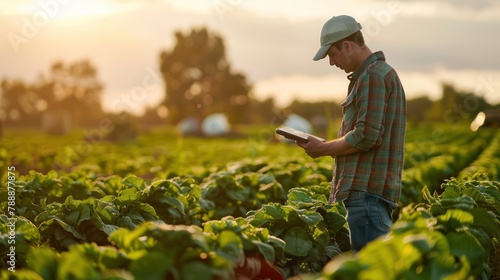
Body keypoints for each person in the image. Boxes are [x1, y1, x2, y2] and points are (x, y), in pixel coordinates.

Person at [296, 15, 406, 252]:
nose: (332, 62)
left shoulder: (373, 76)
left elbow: (367, 135)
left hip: (366, 197)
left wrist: (322, 148)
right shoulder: (371, 76)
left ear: (347, 45)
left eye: (332, 55)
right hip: (367, 198)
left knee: (369, 271)